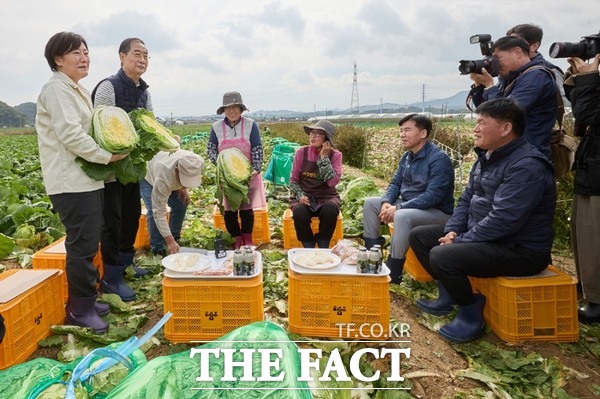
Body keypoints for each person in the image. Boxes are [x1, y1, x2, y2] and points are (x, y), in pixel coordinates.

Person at [408, 98, 556, 343]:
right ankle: (447, 295)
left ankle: (470, 313)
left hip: (522, 249)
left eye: (481, 123)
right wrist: (454, 230)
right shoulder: (487, 158)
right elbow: (466, 200)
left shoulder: (527, 165)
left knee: (443, 254)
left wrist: (460, 241)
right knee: (421, 236)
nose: (475, 128)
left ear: (506, 128)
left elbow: (504, 220)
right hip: (491, 238)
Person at [36, 31, 128, 333]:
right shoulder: (56, 91)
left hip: (84, 181)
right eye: (75, 52)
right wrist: (108, 157)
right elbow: (72, 135)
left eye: (86, 51)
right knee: (81, 246)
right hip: (70, 183)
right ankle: (79, 308)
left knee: (88, 244)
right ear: (58, 59)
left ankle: (88, 299)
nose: (84, 56)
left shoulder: (75, 89)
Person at [92, 37, 152, 302]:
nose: (142, 60)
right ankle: (111, 277)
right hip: (110, 168)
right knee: (112, 219)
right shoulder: (108, 86)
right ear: (121, 56)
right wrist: (114, 153)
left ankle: (126, 263)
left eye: (146, 56)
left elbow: (149, 125)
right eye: (137, 54)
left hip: (132, 167)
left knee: (130, 215)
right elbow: (100, 123)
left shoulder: (145, 91)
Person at [362, 114, 454, 283]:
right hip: (410, 206)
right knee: (371, 203)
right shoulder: (407, 157)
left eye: (407, 130)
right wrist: (387, 203)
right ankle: (372, 258)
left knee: (402, 216)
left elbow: (433, 196)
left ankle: (393, 272)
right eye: (401, 131)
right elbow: (395, 183)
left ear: (423, 133)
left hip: (437, 212)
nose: (402, 134)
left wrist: (398, 208)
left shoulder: (439, 159)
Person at [469, 35, 558, 160]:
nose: (495, 63)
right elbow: (486, 112)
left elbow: (506, 111)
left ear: (517, 52)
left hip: (528, 157)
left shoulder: (537, 76)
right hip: (508, 153)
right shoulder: (509, 78)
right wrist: (479, 87)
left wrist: (489, 86)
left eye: (497, 58)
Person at [564, 54, 600, 324]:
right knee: (585, 232)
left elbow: (589, 114)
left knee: (593, 233)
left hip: (596, 173)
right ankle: (592, 291)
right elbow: (582, 107)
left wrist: (588, 79)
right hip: (591, 168)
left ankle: (596, 300)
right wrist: (579, 80)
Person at [207, 91, 266, 248]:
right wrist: (223, 168)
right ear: (224, 111)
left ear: (241, 109)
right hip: (227, 178)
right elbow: (211, 151)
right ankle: (236, 239)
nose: (232, 111)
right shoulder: (216, 127)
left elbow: (257, 148)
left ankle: (247, 239)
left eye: (235, 107)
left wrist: (256, 168)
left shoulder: (250, 125)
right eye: (228, 108)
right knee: (229, 211)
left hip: (248, 176)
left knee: (247, 210)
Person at [289, 120, 343, 249]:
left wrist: (323, 157)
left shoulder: (335, 155)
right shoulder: (301, 152)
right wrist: (300, 195)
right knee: (299, 213)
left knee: (330, 211)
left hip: (327, 197)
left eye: (318, 134)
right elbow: (293, 180)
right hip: (305, 196)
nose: (313, 136)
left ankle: (323, 245)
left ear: (327, 139)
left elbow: (332, 182)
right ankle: (308, 246)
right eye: (312, 133)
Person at [140, 150, 204, 256]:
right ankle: (158, 248)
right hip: (148, 175)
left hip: (170, 174)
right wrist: (169, 241)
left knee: (181, 202)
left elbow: (187, 173)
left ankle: (174, 238)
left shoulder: (195, 160)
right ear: (177, 171)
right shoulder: (163, 177)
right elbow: (158, 212)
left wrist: (183, 187)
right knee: (153, 210)